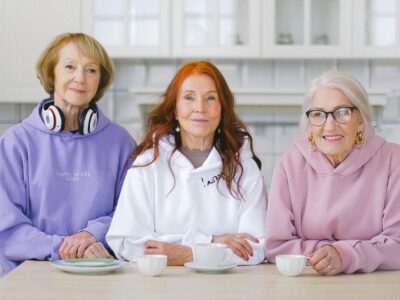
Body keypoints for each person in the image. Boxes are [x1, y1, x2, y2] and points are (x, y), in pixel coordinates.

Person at [0, 33, 136, 275]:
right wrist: (65, 247)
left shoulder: (120, 143)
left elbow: (133, 212)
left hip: (99, 270)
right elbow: (6, 228)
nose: (80, 78)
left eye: (91, 70)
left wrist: (91, 234)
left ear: (100, 80)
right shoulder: (16, 142)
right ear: (52, 73)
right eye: (70, 67)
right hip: (28, 273)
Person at [106, 61, 267, 266]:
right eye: (189, 98)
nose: (200, 108)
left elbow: (255, 248)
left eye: (210, 98)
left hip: (226, 288)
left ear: (222, 109)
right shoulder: (147, 165)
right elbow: (125, 242)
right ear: (174, 109)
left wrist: (188, 254)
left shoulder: (244, 168)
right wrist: (212, 242)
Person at [265, 70, 400, 275]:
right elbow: (277, 247)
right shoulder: (290, 165)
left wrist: (345, 254)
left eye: (343, 112)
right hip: (308, 283)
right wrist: (329, 254)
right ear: (310, 124)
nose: (330, 125)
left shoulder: (393, 161)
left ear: (361, 120)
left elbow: (397, 244)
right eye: (318, 114)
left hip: (376, 285)